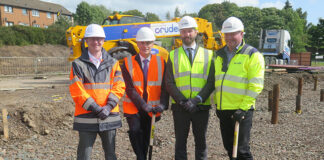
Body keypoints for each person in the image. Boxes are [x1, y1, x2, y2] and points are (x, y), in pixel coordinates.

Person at [69, 24, 125, 160]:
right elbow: (77, 90)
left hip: (109, 115)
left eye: (99, 39)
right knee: (84, 156)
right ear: (86, 41)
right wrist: (95, 108)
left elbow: (119, 86)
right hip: (87, 117)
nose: (96, 42)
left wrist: (108, 106)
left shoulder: (113, 63)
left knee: (111, 154)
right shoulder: (78, 64)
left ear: (103, 40)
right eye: (92, 39)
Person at [214, 16, 265, 160]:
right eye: (226, 34)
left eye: (233, 33)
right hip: (223, 110)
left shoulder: (252, 55)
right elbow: (218, 81)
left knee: (242, 150)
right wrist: (218, 105)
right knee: (230, 148)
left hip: (241, 110)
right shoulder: (220, 55)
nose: (229, 37)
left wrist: (242, 108)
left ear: (241, 34)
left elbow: (256, 85)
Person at [165, 16, 215, 160]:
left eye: (190, 31)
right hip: (181, 108)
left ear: (196, 32)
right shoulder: (173, 55)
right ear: (180, 33)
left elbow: (211, 82)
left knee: (201, 143)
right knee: (180, 143)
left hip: (201, 107)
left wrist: (197, 100)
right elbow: (169, 82)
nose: (187, 34)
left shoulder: (208, 54)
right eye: (184, 31)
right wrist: (183, 101)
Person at [121, 27, 169, 160]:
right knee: (135, 131)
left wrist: (163, 104)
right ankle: (141, 157)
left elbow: (165, 87)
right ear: (137, 44)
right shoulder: (127, 62)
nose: (145, 46)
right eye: (142, 42)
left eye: (148, 42)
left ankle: (141, 156)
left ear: (153, 43)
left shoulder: (161, 62)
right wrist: (143, 105)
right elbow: (129, 89)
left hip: (152, 108)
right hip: (134, 108)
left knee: (148, 137)